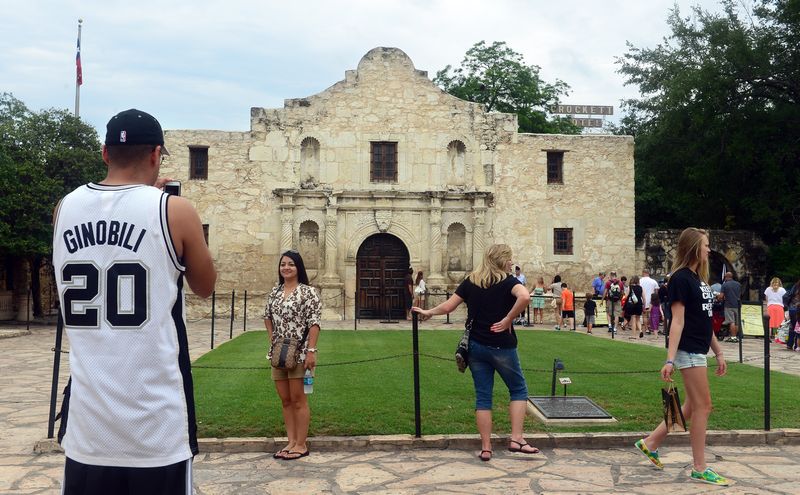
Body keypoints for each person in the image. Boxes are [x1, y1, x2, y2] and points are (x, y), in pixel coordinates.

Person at [53, 109, 217, 494]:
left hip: (88, 424)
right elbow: (205, 285)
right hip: (155, 422)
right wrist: (161, 203)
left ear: (105, 154)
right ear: (157, 154)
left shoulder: (64, 209)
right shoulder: (173, 210)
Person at [412, 244, 536, 462]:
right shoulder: (508, 281)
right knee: (518, 389)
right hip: (502, 345)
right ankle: (516, 439)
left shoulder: (472, 281)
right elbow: (525, 297)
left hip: (476, 346)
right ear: (501, 260)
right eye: (509, 259)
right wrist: (508, 319)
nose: (511, 262)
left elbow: (449, 307)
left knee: (483, 396)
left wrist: (428, 312)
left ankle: (486, 447)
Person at [634, 227, 730, 486]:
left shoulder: (699, 279)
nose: (709, 249)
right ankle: (700, 467)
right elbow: (677, 322)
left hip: (699, 348)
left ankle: (650, 442)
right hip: (688, 350)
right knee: (704, 406)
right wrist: (669, 359)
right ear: (693, 247)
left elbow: (705, 321)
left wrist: (719, 352)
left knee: (689, 406)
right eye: (705, 245)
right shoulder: (680, 279)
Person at [264, 250, 322, 460]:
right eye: (283, 264)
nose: (286, 268)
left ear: (299, 268)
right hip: (279, 353)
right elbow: (267, 316)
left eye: (291, 264)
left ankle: (301, 444)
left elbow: (314, 322)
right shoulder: (275, 292)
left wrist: (311, 351)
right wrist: (272, 338)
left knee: (299, 400)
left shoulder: (308, 292)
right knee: (285, 400)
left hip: (299, 352)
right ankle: (290, 441)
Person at [720, 272, 742, 343]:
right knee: (736, 322)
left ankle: (732, 337)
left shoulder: (725, 285)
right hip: (738, 305)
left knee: (731, 321)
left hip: (729, 305)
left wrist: (718, 297)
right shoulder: (738, 284)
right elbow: (740, 294)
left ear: (726, 277)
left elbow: (721, 296)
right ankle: (735, 337)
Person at [764, 277, 786, 341]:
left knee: (770, 323)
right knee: (780, 323)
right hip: (779, 307)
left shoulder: (768, 289)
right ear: (779, 283)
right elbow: (785, 298)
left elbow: (766, 299)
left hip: (771, 307)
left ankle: (768, 337)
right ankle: (778, 337)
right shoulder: (782, 290)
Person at [640, 269, 659, 334]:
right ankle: (649, 326)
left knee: (644, 315)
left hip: (643, 300)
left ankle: (646, 328)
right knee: (650, 315)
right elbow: (656, 292)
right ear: (648, 273)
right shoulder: (653, 281)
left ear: (643, 273)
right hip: (652, 300)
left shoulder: (640, 281)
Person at [786, 281, 800, 351]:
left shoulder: (795, 286)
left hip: (792, 309)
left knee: (793, 326)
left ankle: (789, 344)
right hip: (798, 310)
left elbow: (789, 296)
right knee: (798, 328)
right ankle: (797, 346)